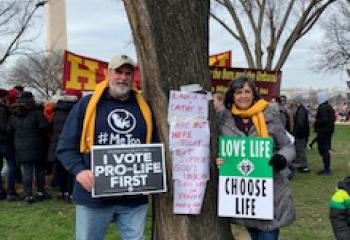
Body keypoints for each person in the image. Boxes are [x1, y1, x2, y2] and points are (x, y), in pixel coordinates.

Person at [57, 54, 158, 240]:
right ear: (107, 73)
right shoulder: (86, 105)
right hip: (93, 197)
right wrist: (79, 171)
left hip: (133, 199)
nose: (123, 77)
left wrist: (153, 176)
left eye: (128, 73)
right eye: (118, 72)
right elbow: (65, 146)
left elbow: (155, 146)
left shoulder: (144, 107)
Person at [216, 77, 295, 240]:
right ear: (232, 95)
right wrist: (219, 160)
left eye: (247, 92)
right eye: (239, 92)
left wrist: (281, 158)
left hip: (271, 190)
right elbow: (216, 148)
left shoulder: (270, 115)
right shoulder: (223, 118)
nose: (243, 96)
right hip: (243, 195)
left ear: (253, 94)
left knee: (268, 234)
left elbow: (288, 146)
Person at [7, 91, 51, 204]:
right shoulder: (36, 112)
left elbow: (9, 131)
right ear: (31, 99)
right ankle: (41, 192)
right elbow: (44, 127)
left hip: (20, 145)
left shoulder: (13, 114)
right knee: (40, 169)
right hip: (38, 144)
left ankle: (28, 195)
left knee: (27, 170)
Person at [48, 90, 81, 202]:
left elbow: (50, 127)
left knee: (60, 169)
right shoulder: (78, 110)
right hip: (73, 143)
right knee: (71, 170)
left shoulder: (56, 111)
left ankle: (62, 192)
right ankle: (70, 192)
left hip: (57, 142)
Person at [0, 89, 18, 200]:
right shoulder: (4, 110)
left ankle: (1, 190)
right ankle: (11, 191)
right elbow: (5, 127)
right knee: (12, 165)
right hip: (5, 141)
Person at [314, 91, 335, 175]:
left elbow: (324, 120)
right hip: (327, 131)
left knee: (323, 149)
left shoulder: (323, 107)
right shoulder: (328, 107)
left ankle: (327, 169)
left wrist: (316, 122)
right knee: (324, 149)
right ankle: (326, 168)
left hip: (324, 131)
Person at [292, 100, 310, 173]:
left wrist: (295, 132)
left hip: (300, 133)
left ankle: (304, 166)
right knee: (300, 149)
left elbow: (300, 123)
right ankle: (301, 165)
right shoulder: (302, 110)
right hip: (303, 133)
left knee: (301, 150)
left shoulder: (300, 111)